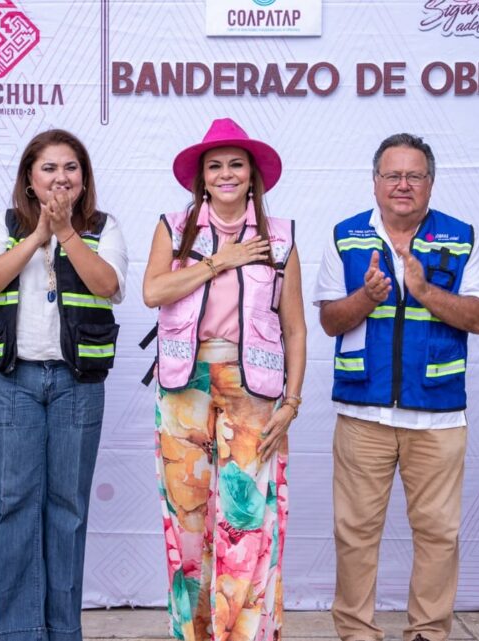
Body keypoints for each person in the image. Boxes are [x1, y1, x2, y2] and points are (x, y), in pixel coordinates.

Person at [313, 133, 479, 641]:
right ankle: (356, 633)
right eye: (393, 175)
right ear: (375, 182)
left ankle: (428, 634)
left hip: (437, 417)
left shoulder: (461, 236)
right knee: (354, 534)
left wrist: (423, 290)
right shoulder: (345, 235)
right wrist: (366, 298)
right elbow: (329, 320)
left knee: (439, 535)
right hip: (363, 414)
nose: (403, 185)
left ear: (430, 184)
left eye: (414, 175)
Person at [143, 118, 306, 641]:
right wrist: (219, 261)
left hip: (253, 391)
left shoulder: (280, 237)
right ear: (202, 177)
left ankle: (243, 636)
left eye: (236, 164)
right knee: (187, 520)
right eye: (215, 166)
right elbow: (154, 292)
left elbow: (295, 328)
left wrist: (292, 401)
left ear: (253, 174)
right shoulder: (173, 227)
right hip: (183, 385)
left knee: (245, 519)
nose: (227, 173)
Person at [0, 129, 128, 641]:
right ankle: (17, 632)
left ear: (83, 180)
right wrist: (38, 235)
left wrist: (65, 235)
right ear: (29, 179)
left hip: (77, 383)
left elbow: (109, 286)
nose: (60, 177)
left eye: (71, 168)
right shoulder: (5, 226)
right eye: (49, 168)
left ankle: (64, 631)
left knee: (67, 508)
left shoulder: (105, 229)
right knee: (15, 503)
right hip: (15, 381)